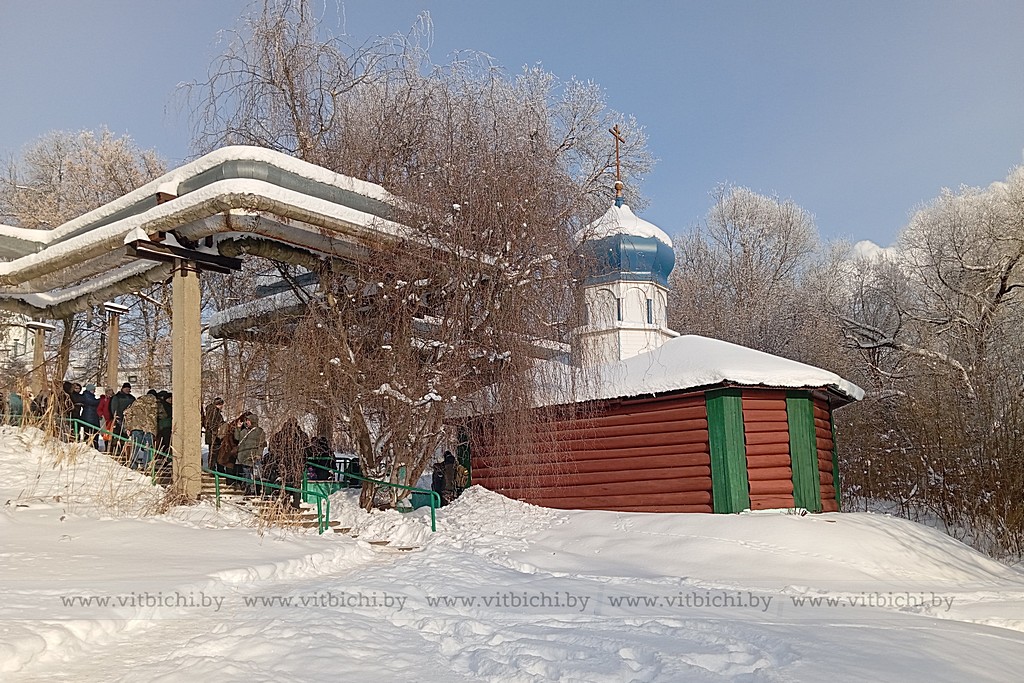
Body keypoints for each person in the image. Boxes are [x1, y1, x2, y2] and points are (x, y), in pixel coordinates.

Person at [269, 417, 310, 508]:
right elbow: (307, 450)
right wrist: (303, 460)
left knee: (284, 483)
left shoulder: (280, 435)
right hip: (297, 464)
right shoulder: (302, 436)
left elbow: (271, 449)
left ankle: (285, 504)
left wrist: (278, 457)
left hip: (283, 463)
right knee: (296, 484)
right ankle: (296, 505)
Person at [122, 390, 158, 470]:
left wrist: (128, 427)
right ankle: (147, 466)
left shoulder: (137, 402)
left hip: (136, 427)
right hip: (149, 428)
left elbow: (127, 413)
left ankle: (133, 464)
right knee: (148, 448)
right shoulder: (155, 403)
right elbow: (162, 415)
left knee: (135, 447)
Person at [235, 413, 267, 495]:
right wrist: (238, 428)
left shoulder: (259, 432)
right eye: (246, 420)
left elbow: (261, 444)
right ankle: (248, 488)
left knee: (257, 474)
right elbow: (237, 438)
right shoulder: (244, 431)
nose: (247, 422)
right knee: (246, 474)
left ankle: (257, 490)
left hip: (254, 456)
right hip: (244, 456)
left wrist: (259, 454)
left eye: (248, 420)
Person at [203, 398, 226, 471]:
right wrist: (217, 432)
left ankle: (212, 469)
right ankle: (212, 470)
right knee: (213, 454)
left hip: (212, 436)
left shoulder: (211, 411)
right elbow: (212, 424)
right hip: (214, 437)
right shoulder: (214, 412)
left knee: (213, 453)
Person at [77, 383, 101, 448]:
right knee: (90, 432)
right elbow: (92, 402)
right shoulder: (87, 396)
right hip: (89, 417)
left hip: (91, 417)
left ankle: (92, 445)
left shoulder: (89, 396)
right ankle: (91, 446)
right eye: (93, 390)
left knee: (92, 432)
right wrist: (100, 400)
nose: (94, 391)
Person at [155, 391, 172, 455]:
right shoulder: (164, 405)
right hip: (165, 426)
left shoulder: (167, 405)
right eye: (169, 398)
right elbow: (162, 415)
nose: (170, 400)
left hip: (165, 426)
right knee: (166, 442)